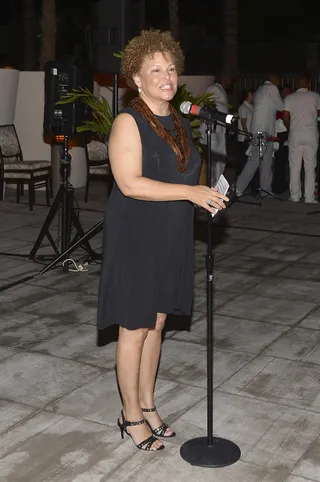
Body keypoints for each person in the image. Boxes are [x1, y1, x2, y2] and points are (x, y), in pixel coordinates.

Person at [96, 30, 228, 452]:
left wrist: (205, 196)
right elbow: (130, 183)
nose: (166, 76)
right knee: (133, 328)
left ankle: (148, 404)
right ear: (137, 78)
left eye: (170, 67)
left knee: (156, 325)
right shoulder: (127, 122)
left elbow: (187, 177)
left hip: (171, 235)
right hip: (136, 235)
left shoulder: (181, 122)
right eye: (155, 69)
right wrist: (189, 193)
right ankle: (129, 415)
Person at [236, 74, 283, 196]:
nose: (279, 82)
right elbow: (281, 106)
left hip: (262, 130)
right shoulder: (272, 89)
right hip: (263, 130)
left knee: (267, 162)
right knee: (255, 159)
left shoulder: (259, 90)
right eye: (278, 80)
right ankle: (238, 187)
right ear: (274, 79)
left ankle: (265, 190)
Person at [283, 74, 320, 203]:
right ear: (308, 84)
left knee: (294, 166)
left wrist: (291, 127)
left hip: (295, 134)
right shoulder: (315, 96)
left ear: (296, 84)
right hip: (311, 134)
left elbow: (285, 117)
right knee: (310, 167)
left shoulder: (289, 98)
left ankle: (294, 196)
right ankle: (309, 197)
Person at [199, 75, 234, 184]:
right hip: (212, 130)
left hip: (220, 130)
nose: (230, 82)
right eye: (229, 79)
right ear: (223, 79)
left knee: (221, 159)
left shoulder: (221, 90)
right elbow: (205, 102)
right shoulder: (214, 88)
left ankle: (217, 185)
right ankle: (212, 185)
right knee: (213, 160)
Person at [236, 88, 254, 176]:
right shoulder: (243, 107)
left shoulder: (250, 107)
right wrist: (247, 135)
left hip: (249, 136)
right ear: (249, 95)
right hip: (244, 138)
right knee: (243, 161)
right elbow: (244, 123)